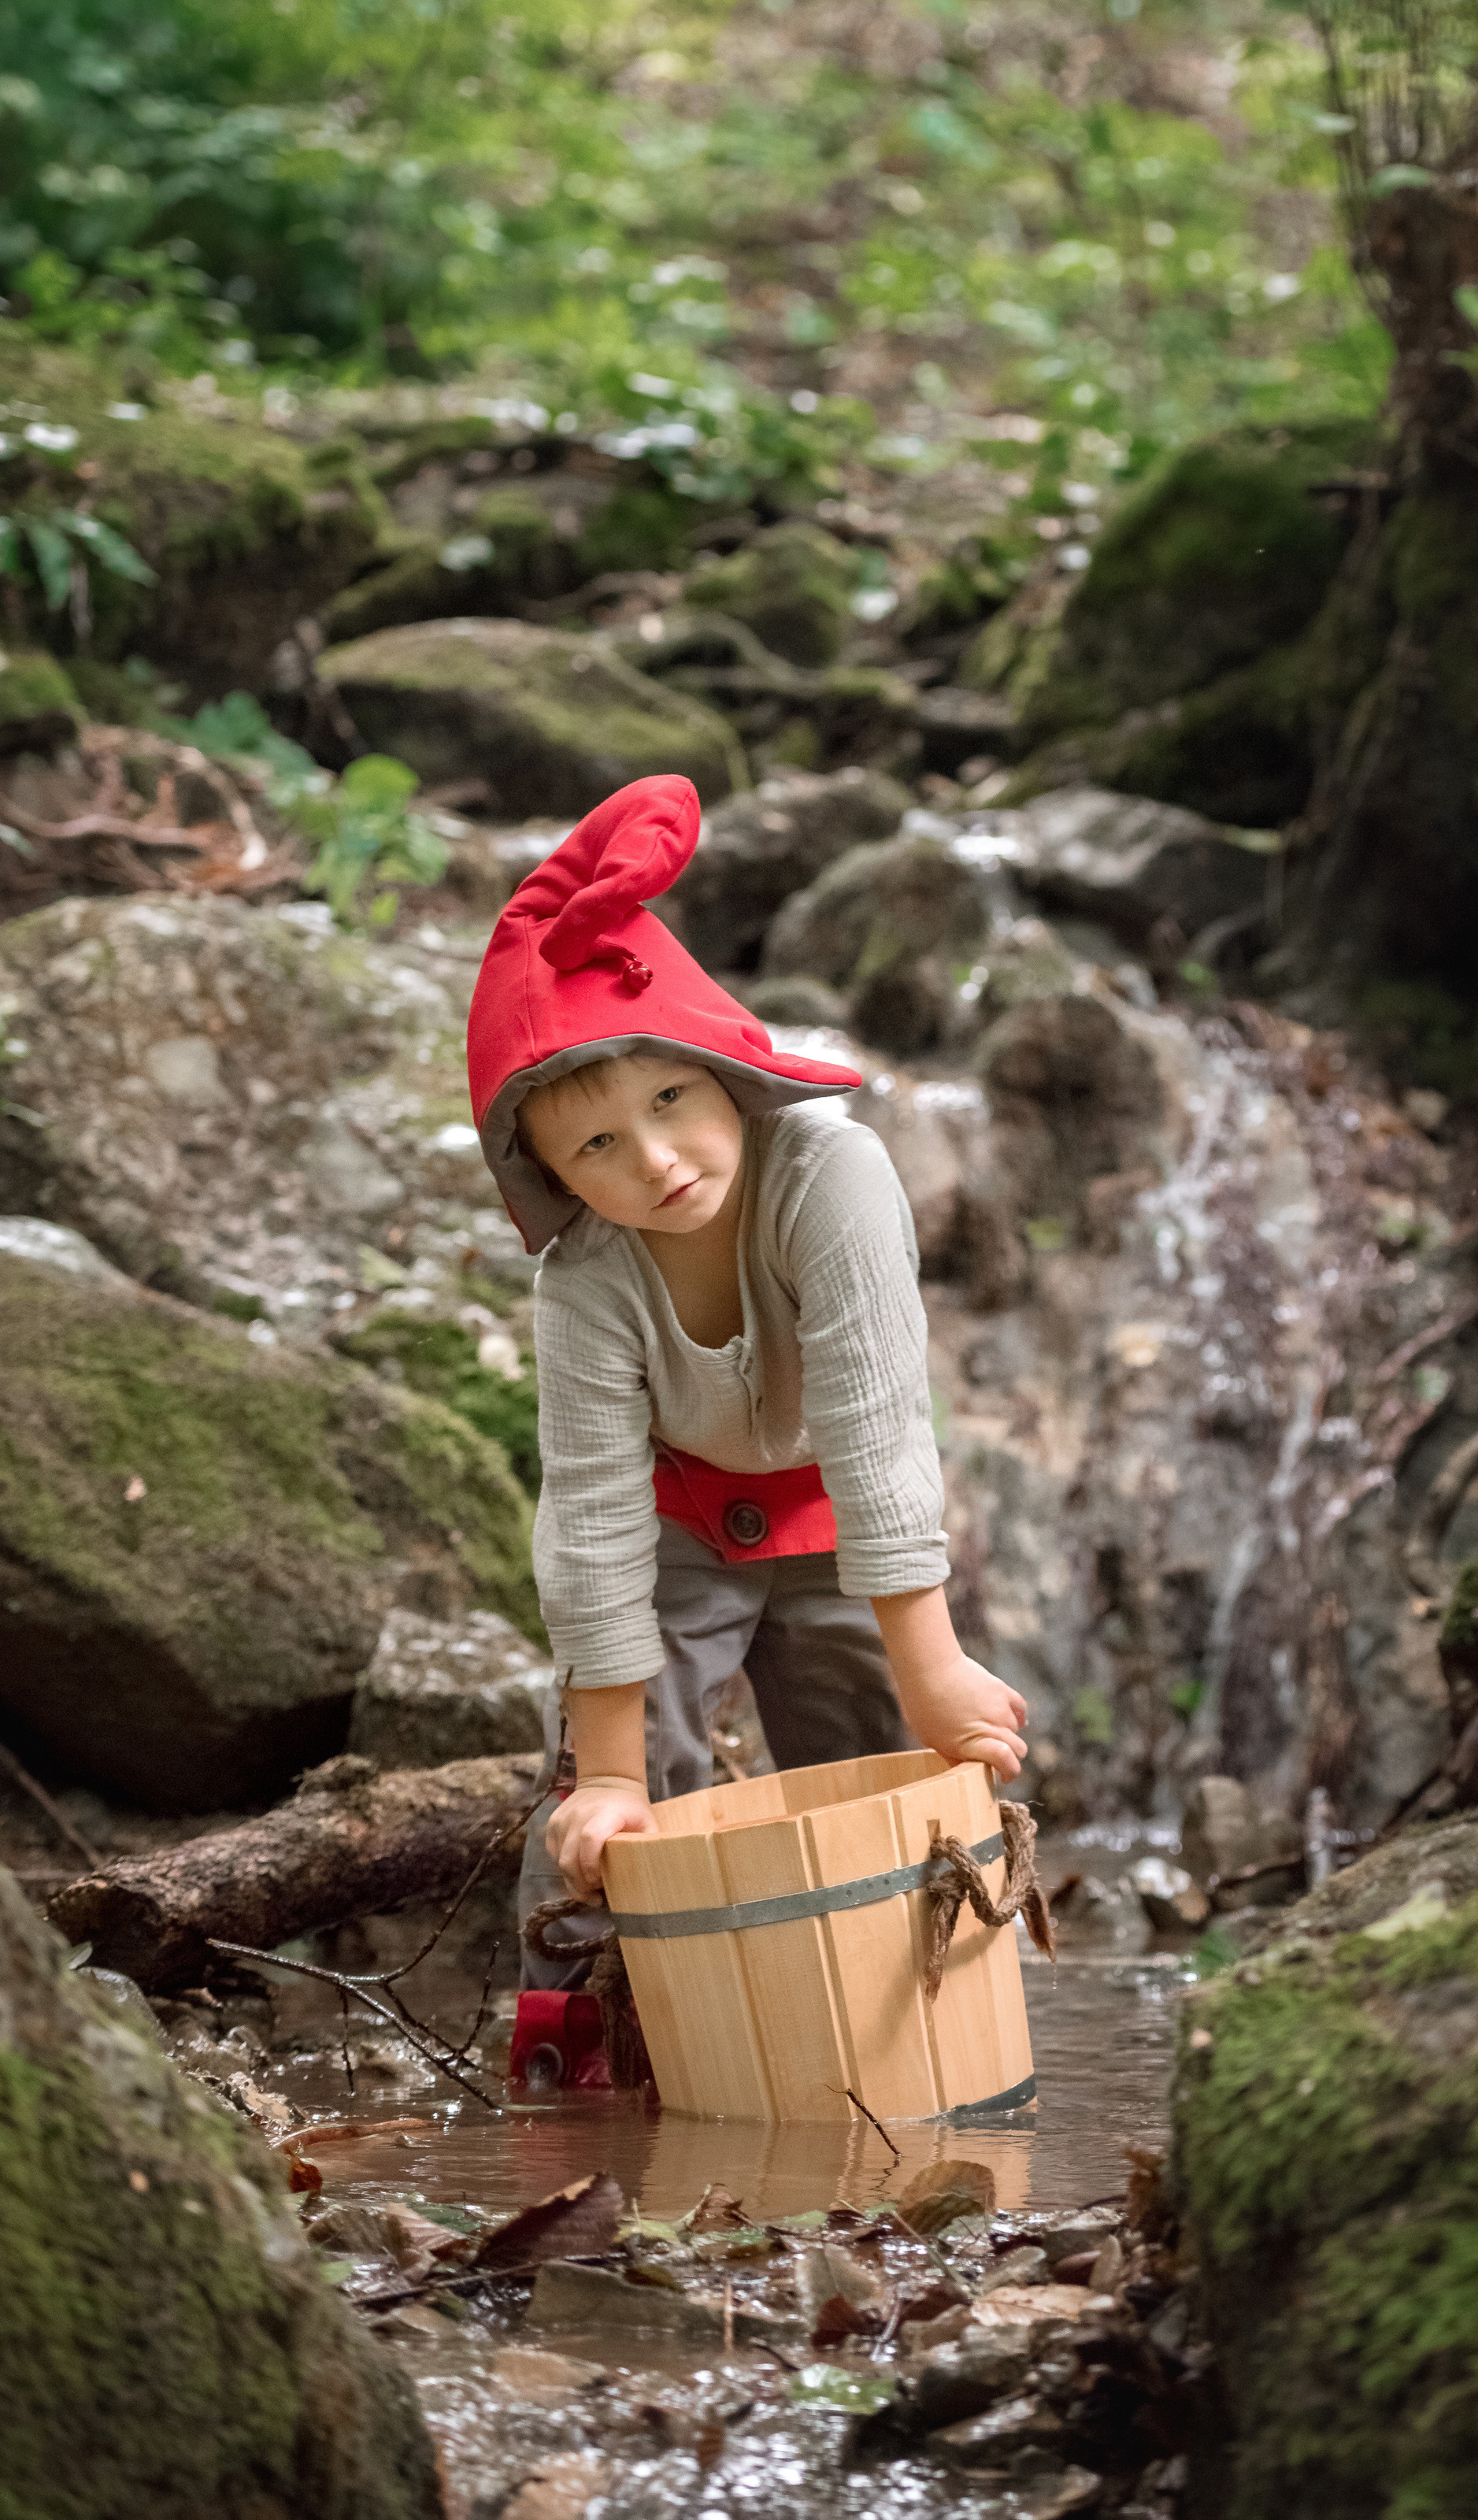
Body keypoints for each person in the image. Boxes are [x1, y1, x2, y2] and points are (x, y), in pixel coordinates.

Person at [465, 773, 1028, 2007]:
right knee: (610, 1808)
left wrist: (932, 1666)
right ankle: (579, 2064)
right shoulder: (586, 1281)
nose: (656, 1160)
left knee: (902, 1762)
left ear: (727, 1071)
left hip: (839, 1510)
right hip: (677, 1521)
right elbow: (595, 1511)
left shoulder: (831, 1174)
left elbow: (880, 1426)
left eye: (671, 1100)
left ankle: (920, 2034)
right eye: (598, 1145)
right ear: (550, 1176)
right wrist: (609, 1776)